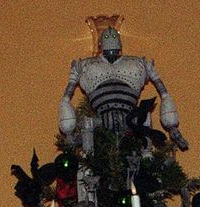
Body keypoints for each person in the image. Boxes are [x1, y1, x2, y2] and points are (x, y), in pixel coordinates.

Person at [58, 26, 188, 151]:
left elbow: (164, 93)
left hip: (128, 116)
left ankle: (146, 155)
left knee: (145, 122)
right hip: (103, 117)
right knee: (88, 127)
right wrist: (69, 133)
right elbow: (66, 98)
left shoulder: (138, 63)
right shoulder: (85, 65)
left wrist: (171, 126)